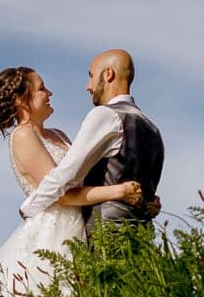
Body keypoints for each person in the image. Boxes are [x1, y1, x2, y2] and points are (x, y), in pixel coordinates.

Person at [0, 66, 145, 297]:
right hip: (54, 230)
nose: (49, 93)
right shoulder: (23, 136)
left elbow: (83, 180)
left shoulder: (57, 135)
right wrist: (118, 192)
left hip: (80, 222)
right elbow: (61, 195)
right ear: (22, 100)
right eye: (41, 88)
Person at [20, 49, 164, 239]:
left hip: (107, 233)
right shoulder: (153, 129)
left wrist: (28, 208)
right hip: (143, 237)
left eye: (91, 76)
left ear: (108, 74)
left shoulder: (106, 115)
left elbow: (67, 174)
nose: (88, 86)